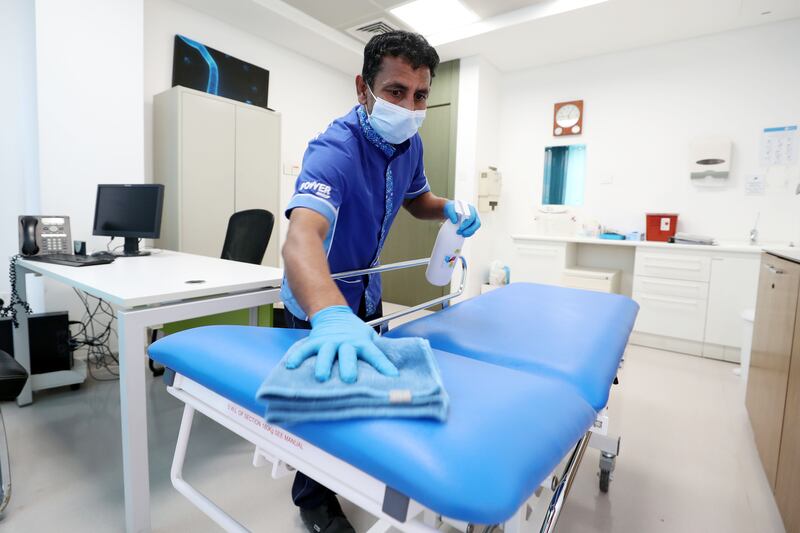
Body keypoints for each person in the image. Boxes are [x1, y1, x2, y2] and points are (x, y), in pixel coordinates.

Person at [280, 30, 481, 533]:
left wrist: (449, 210)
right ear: (363, 88)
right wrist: (328, 316)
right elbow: (301, 236)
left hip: (366, 293)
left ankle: (348, 470)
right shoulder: (334, 150)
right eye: (395, 92)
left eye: (420, 96)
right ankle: (313, 501)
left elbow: (417, 200)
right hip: (319, 303)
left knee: (358, 394)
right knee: (319, 407)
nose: (409, 107)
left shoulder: (408, 142)